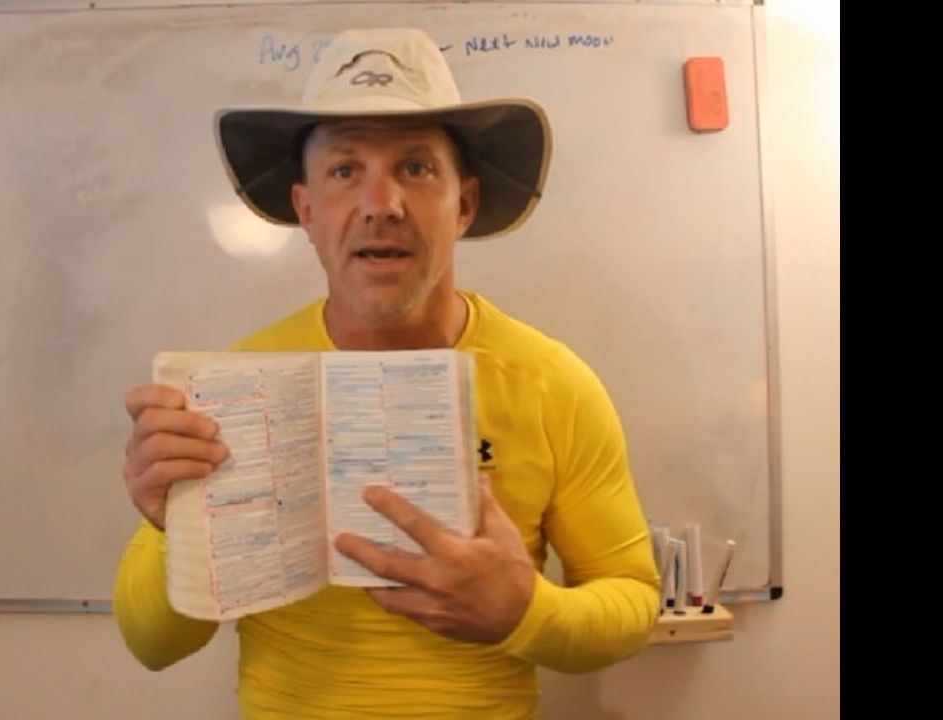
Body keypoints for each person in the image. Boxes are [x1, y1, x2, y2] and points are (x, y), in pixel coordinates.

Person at [114, 27, 659, 719]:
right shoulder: (235, 393)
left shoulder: (552, 383)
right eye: (345, 171)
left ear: (464, 205)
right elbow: (152, 644)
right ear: (306, 210)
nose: (381, 203)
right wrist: (173, 525)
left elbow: (632, 600)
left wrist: (526, 611)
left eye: (416, 168)